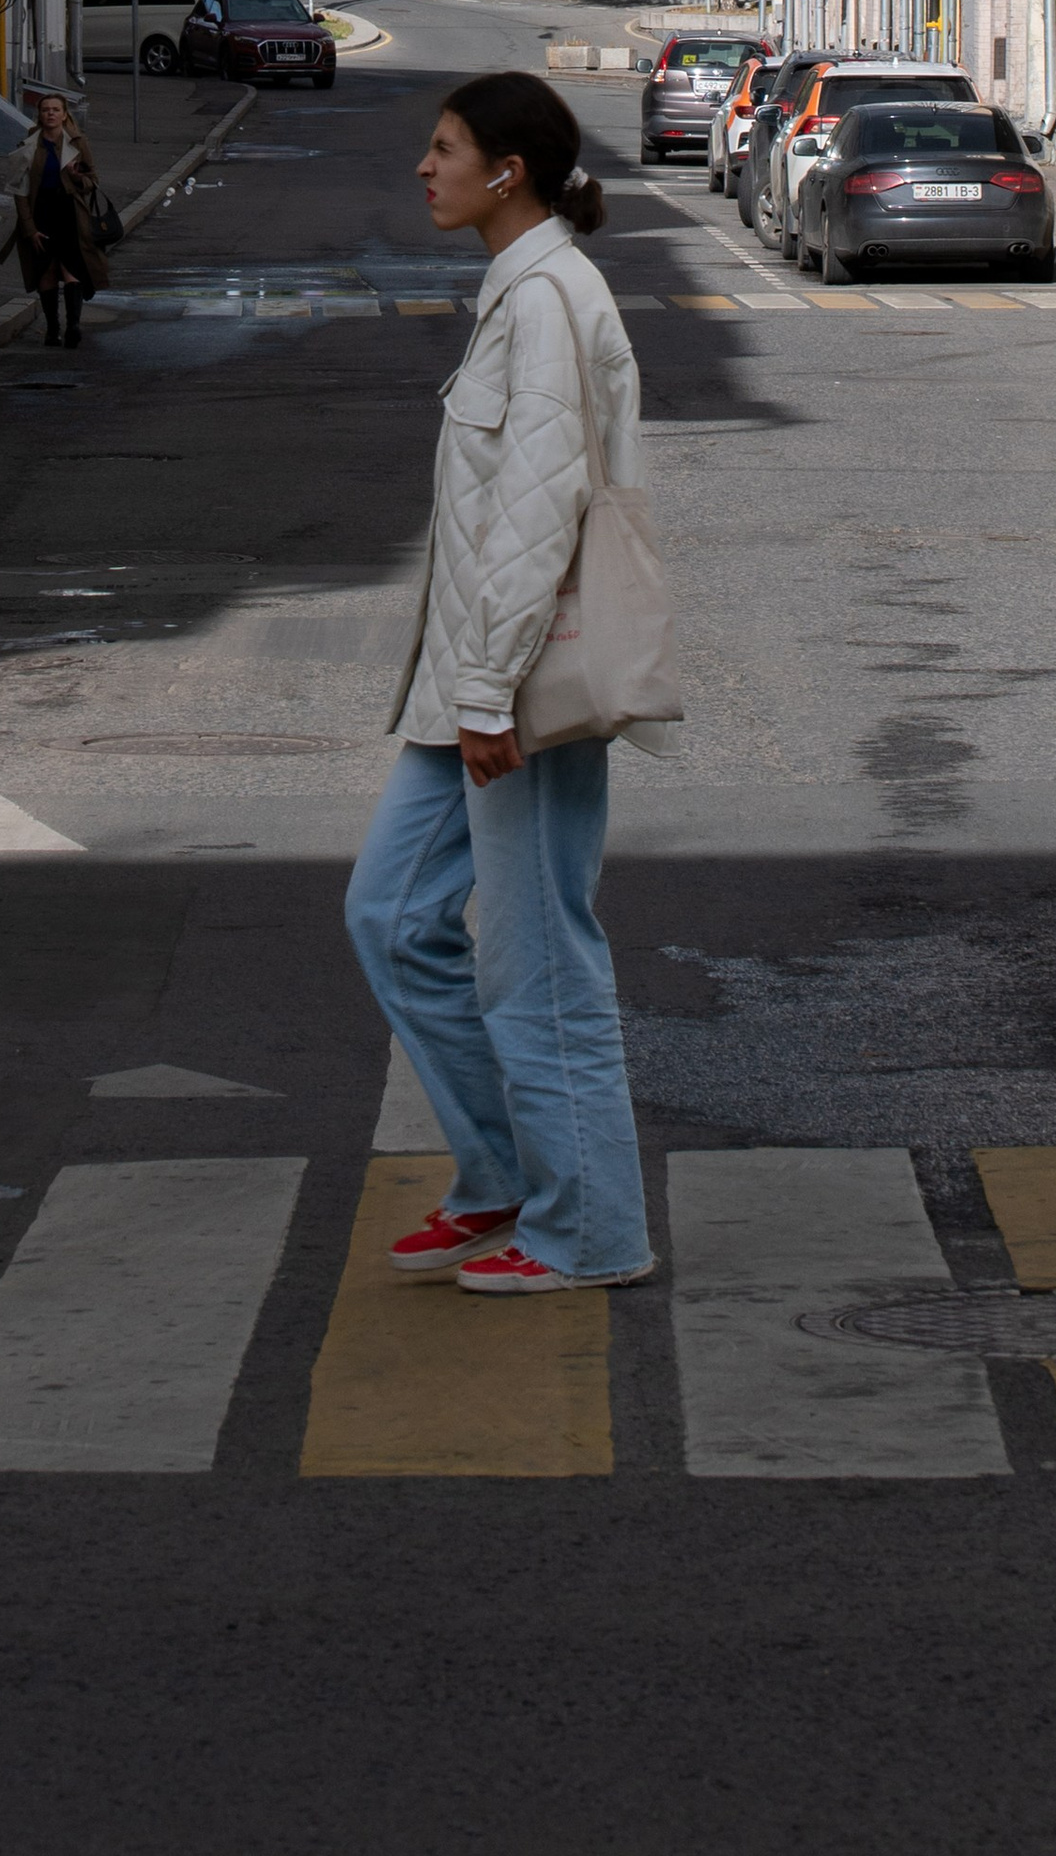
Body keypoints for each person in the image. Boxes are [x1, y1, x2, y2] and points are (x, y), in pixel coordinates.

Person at [343, 70, 655, 1296]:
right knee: (390, 914)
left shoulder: (547, 302)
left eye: (444, 148)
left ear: (505, 171)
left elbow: (535, 514)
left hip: (517, 691)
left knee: (537, 962)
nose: (425, 168)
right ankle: (501, 1175)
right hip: (468, 689)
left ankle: (591, 1231)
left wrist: (487, 695)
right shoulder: (520, 290)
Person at [1, 88, 109, 346]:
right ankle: (52, 328)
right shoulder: (30, 144)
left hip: (70, 213)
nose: (50, 114)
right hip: (41, 212)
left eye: (55, 110)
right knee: (46, 270)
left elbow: (93, 180)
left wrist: (76, 178)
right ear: (39, 115)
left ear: (64, 115)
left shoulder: (77, 142)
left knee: (71, 268)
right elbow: (20, 190)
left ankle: (73, 326)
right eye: (45, 110)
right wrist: (29, 228)